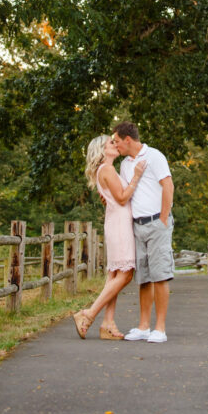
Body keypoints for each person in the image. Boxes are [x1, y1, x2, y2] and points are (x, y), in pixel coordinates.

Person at [73, 134, 146, 340]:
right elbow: (123, 198)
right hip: (120, 225)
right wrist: (136, 177)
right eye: (111, 143)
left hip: (115, 222)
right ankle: (89, 314)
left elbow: (114, 197)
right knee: (125, 274)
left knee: (115, 274)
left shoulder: (103, 171)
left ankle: (108, 324)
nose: (115, 144)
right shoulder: (107, 169)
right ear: (103, 150)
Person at [113, 121, 174, 343]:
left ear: (127, 139)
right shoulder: (125, 165)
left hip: (157, 223)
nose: (115, 145)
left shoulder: (154, 156)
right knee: (144, 278)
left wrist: (163, 219)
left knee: (160, 275)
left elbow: (168, 186)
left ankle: (160, 328)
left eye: (117, 141)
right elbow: (125, 193)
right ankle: (143, 327)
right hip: (137, 226)